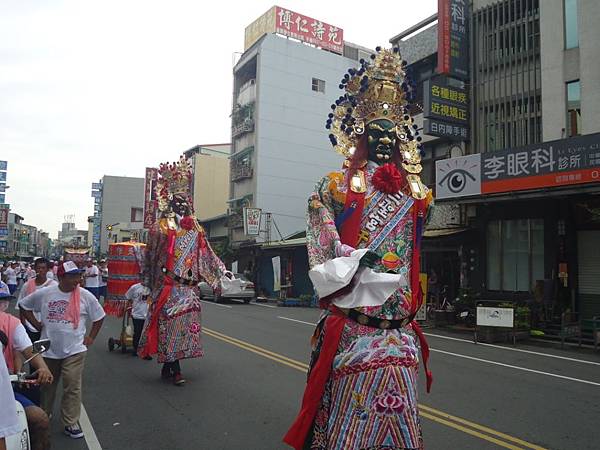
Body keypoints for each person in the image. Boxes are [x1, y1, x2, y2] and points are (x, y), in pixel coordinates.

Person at [284, 47, 434, 450]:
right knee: (348, 416)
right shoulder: (336, 186)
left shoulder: (417, 194)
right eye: (376, 134)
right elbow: (320, 233)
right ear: (361, 137)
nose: (384, 141)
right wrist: (350, 257)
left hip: (398, 326)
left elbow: (419, 238)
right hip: (354, 323)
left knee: (400, 414)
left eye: (392, 134)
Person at [137, 156, 230, 386]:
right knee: (170, 326)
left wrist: (221, 271)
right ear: (170, 203)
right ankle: (174, 368)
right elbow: (151, 255)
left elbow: (205, 253)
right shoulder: (162, 228)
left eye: (185, 201)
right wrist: (149, 282)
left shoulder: (196, 228)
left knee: (184, 330)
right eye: (178, 201)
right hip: (170, 287)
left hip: (189, 290)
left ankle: (170, 365)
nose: (183, 205)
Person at [19, 261, 105, 440]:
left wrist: (91, 337)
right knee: (47, 385)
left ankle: (70, 422)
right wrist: (36, 324)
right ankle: (44, 414)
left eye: (78, 276)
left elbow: (99, 316)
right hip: (49, 350)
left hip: (75, 349)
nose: (77, 279)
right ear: (61, 277)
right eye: (73, 276)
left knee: (72, 385)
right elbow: (24, 305)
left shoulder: (85, 296)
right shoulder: (45, 293)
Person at [0, 292, 53, 450]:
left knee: (40, 419)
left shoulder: (11, 323)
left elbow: (28, 349)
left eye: (3, 301)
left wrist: (43, 368)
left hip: (5, 390)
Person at [18, 258, 57, 343]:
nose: (41, 270)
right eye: (38, 268)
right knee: (32, 351)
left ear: (47, 269)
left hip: (48, 324)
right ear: (35, 269)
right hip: (30, 325)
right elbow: (21, 305)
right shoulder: (27, 285)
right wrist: (23, 324)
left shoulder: (54, 285)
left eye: (43, 268)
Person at [125, 282, 150, 358]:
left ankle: (146, 352)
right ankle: (135, 349)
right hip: (137, 314)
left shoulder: (151, 288)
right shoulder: (134, 287)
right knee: (138, 331)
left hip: (148, 315)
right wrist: (128, 308)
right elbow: (128, 298)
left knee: (147, 333)